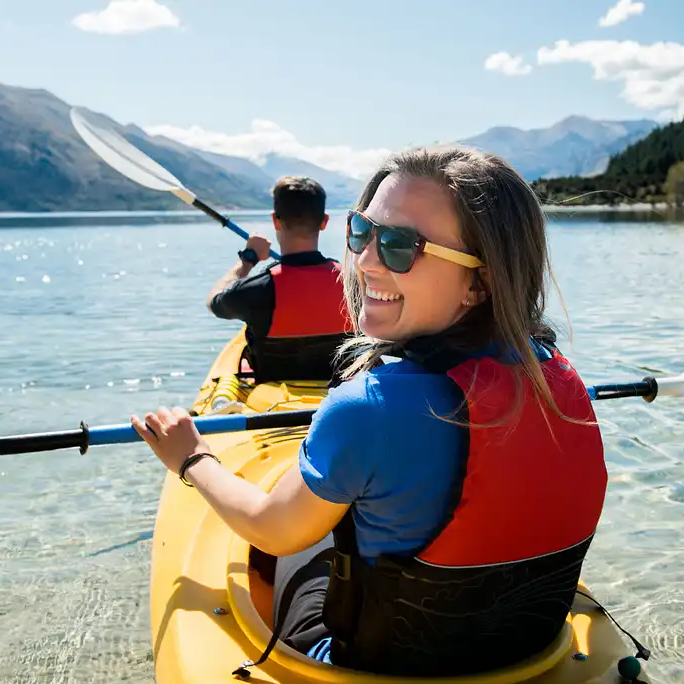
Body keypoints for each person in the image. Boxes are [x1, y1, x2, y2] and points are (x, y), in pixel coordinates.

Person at [133, 146, 609, 677]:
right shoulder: (562, 377)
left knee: (290, 555)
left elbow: (272, 530)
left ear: (481, 279)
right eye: (363, 232)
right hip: (527, 649)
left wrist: (191, 457)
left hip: (381, 659)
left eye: (401, 246)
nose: (364, 261)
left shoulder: (368, 407)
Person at [206, 175, 353, 383]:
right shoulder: (355, 283)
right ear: (324, 221)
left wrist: (248, 260)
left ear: (275, 220)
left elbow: (213, 301)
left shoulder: (255, 291)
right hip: (342, 397)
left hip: (274, 407)